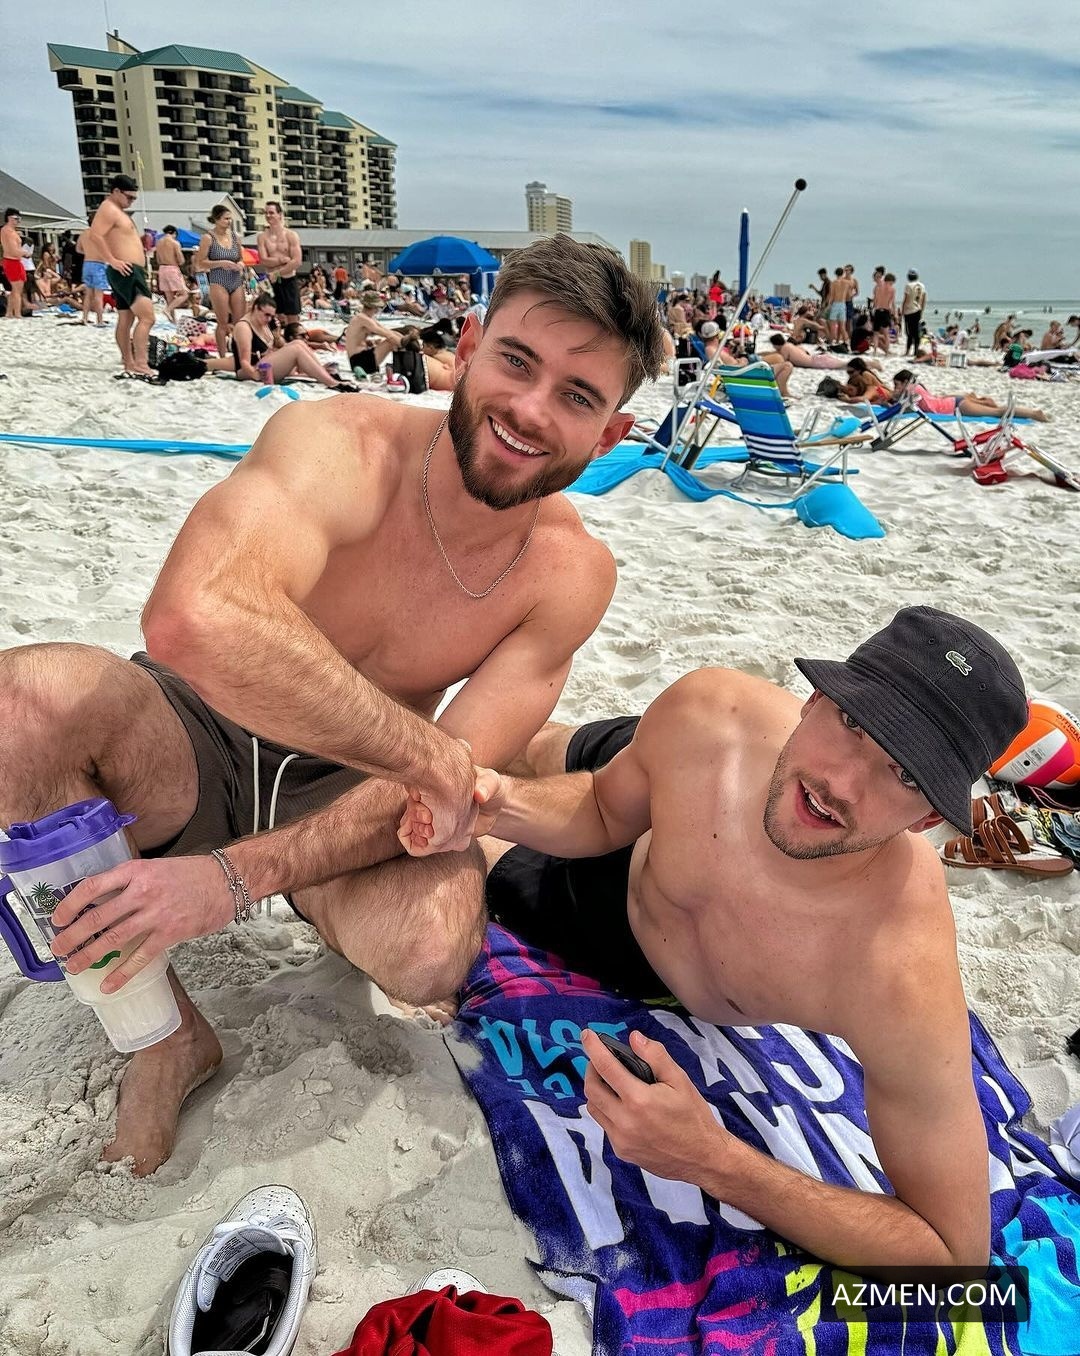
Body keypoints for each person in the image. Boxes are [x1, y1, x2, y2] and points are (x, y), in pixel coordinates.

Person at [10, 234, 664, 1176]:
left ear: (608, 435)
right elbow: (195, 618)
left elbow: (442, 777)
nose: (529, 410)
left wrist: (231, 879)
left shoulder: (569, 574)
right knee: (23, 706)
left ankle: (366, 851)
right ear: (467, 349)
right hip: (192, 735)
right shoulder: (338, 444)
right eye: (517, 362)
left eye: (576, 396)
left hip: (351, 786)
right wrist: (431, 757)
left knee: (430, 949)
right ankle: (161, 1036)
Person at [402, 608, 1029, 1271]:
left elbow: (952, 1253)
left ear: (927, 818)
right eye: (854, 723)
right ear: (815, 699)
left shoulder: (897, 969)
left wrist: (714, 1160)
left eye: (905, 775)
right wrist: (503, 799)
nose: (842, 784)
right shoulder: (714, 716)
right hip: (665, 786)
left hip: (621, 934)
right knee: (533, 754)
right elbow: (603, 808)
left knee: (475, 853)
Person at [89, 175, 157, 378]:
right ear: (116, 191)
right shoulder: (109, 208)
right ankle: (140, 363)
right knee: (147, 317)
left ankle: (129, 362)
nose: (131, 201)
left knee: (126, 318)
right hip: (126, 270)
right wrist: (112, 260)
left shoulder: (117, 211)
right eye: (129, 197)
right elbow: (95, 235)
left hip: (127, 269)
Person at [231, 293, 357, 390]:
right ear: (255, 308)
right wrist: (255, 375)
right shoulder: (244, 328)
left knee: (299, 343)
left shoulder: (262, 323)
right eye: (266, 315)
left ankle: (323, 373)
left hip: (264, 365)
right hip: (251, 371)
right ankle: (331, 382)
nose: (269, 319)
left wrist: (277, 333)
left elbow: (277, 344)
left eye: (271, 316)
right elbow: (244, 362)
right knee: (296, 349)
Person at [891, 369, 1048, 421]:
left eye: (897, 385)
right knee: (996, 411)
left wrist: (893, 398)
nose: (895, 388)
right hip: (953, 402)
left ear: (905, 382)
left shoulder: (911, 390)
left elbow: (904, 406)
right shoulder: (917, 387)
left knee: (997, 412)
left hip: (956, 406)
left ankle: (1034, 414)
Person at [257, 202, 303, 327]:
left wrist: (277, 272)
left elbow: (296, 261)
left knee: (292, 318)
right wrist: (281, 260)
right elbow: (263, 260)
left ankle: (293, 337)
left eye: (271, 213)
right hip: (271, 282)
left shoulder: (290, 235)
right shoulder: (262, 237)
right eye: (266, 213)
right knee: (272, 318)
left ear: (280, 214)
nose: (268, 215)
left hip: (288, 279)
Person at [344, 291, 405, 378]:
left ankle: (405, 365)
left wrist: (401, 337)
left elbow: (387, 331)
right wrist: (407, 345)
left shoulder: (363, 317)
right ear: (373, 307)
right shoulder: (363, 319)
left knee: (395, 337)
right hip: (360, 360)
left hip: (358, 359)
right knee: (391, 342)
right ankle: (406, 367)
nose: (377, 310)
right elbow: (387, 335)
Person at [767, 334, 880, 372]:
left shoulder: (785, 349)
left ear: (776, 344)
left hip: (817, 362)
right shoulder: (790, 345)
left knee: (847, 365)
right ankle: (870, 364)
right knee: (845, 364)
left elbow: (781, 360)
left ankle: (872, 364)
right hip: (818, 358)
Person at [154, 225, 189, 323]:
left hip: (162, 269)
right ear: (174, 233)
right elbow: (181, 260)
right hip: (172, 268)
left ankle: (172, 320)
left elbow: (158, 259)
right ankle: (167, 310)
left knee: (170, 297)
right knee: (184, 294)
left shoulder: (158, 243)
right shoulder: (175, 243)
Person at [76, 225, 107, 327]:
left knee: (88, 294)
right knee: (98, 295)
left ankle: (85, 318)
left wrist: (88, 252)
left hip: (87, 263)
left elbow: (78, 249)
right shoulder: (101, 234)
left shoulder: (84, 234)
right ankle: (100, 320)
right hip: (98, 264)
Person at [2, 208, 26, 319]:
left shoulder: (10, 231)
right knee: (17, 289)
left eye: (19, 219)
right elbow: (13, 250)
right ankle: (17, 313)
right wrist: (24, 253)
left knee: (15, 289)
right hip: (11, 260)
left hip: (15, 261)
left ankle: (9, 313)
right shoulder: (7, 231)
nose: (18, 221)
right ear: (9, 218)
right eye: (16, 218)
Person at [901, 271, 927, 358]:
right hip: (918, 310)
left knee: (909, 332)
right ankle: (916, 351)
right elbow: (924, 299)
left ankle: (908, 351)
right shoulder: (922, 286)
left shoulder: (908, 286)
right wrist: (922, 311)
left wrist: (902, 311)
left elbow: (906, 299)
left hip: (909, 311)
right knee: (916, 332)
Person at [869, 268, 895, 355]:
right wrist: (894, 314)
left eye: (875, 277)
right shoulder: (891, 288)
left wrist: (872, 307)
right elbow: (892, 302)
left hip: (878, 311)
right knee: (886, 333)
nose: (874, 279)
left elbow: (875, 301)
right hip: (886, 311)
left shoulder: (876, 288)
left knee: (876, 333)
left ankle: (875, 351)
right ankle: (886, 352)